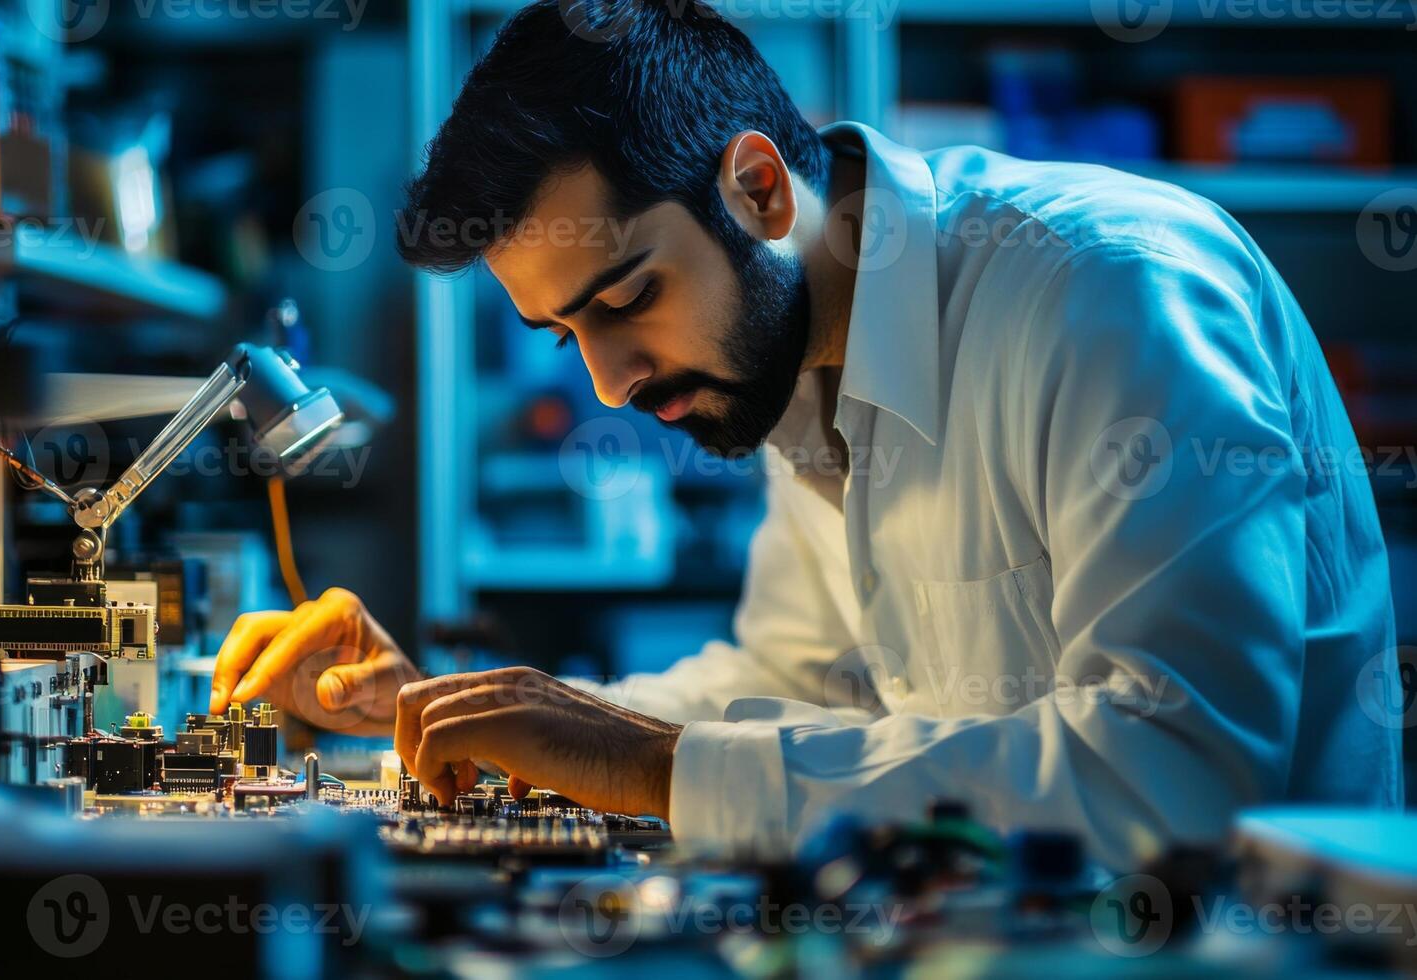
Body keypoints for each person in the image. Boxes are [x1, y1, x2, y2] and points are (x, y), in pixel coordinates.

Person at [210, 0, 1402, 869]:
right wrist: (471, 714)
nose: (611, 384)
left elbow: (1176, 778)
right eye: (568, 333)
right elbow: (789, 688)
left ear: (759, 191)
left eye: (624, 301)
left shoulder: (1106, 292)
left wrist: (655, 769)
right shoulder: (800, 358)